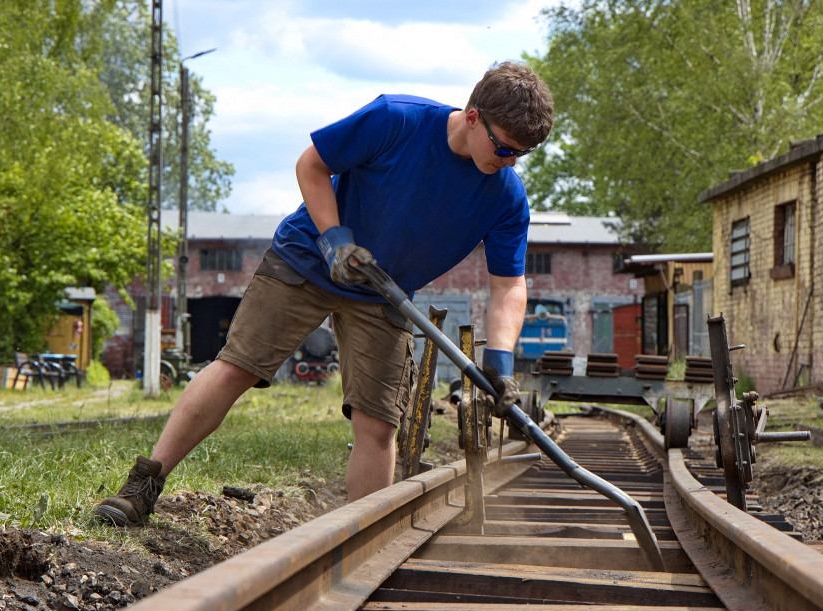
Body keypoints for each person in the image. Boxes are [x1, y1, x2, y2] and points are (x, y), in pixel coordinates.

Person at [94, 61, 554, 526]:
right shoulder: (397, 119)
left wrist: (500, 363)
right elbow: (311, 164)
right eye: (504, 148)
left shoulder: (506, 197)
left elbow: (509, 285)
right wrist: (335, 238)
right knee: (236, 369)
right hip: (309, 259)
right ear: (473, 117)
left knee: (377, 423)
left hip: (383, 292)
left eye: (522, 154)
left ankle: (361, 539)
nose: (510, 162)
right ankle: (140, 489)